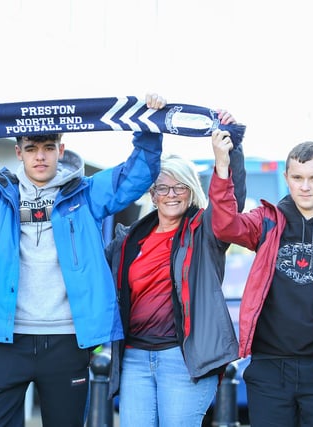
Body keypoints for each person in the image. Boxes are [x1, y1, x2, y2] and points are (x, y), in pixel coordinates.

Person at [0, 93, 167, 427]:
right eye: (31, 148)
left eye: (47, 147)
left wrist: (149, 129)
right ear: (19, 152)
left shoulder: (86, 195)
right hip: (8, 340)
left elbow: (136, 175)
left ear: (60, 148)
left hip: (68, 341)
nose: (40, 156)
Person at [208, 139, 313, 426]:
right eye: (297, 178)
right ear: (287, 178)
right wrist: (222, 166)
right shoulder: (268, 221)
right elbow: (225, 225)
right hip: (269, 368)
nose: (305, 186)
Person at [104, 111, 245, 426]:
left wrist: (231, 146)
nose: (171, 195)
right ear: (152, 195)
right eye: (162, 188)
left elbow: (231, 205)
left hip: (183, 359)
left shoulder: (204, 230)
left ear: (191, 190)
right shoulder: (129, 240)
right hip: (135, 359)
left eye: (179, 187)